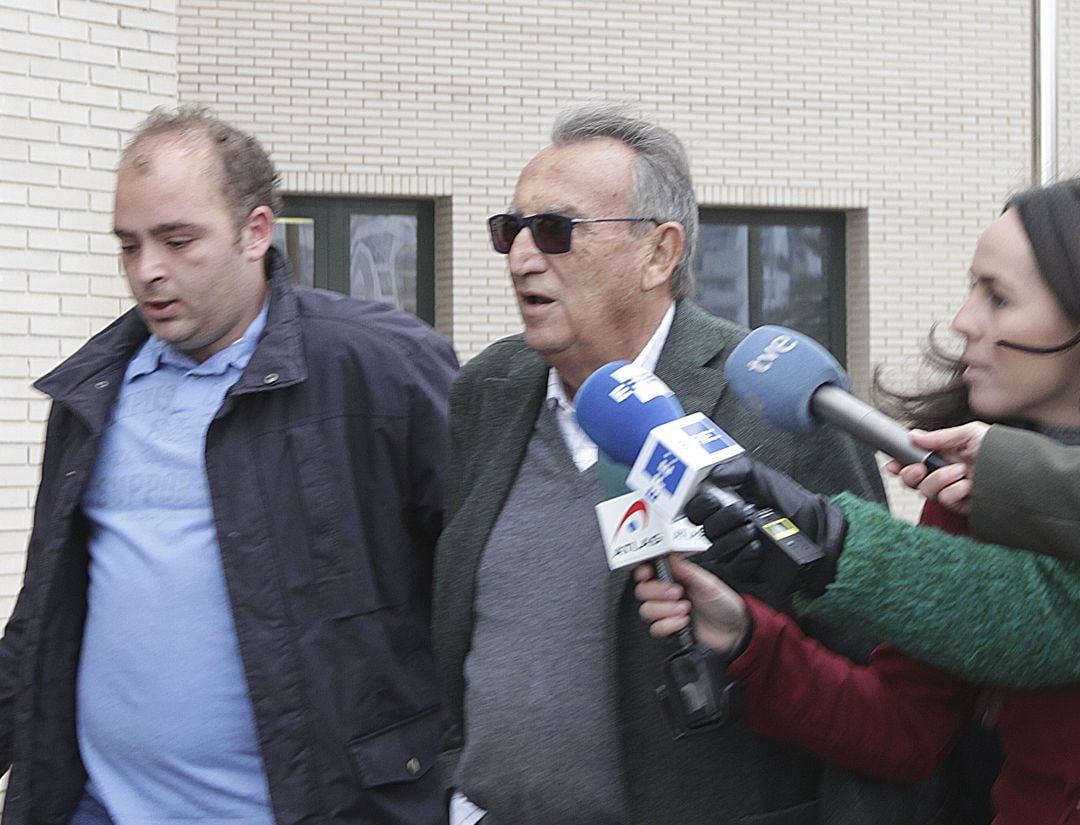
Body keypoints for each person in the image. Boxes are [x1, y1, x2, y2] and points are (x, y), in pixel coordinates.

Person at [431, 102, 953, 825]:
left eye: (554, 229)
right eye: (509, 230)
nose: (522, 256)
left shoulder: (771, 403)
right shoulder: (487, 390)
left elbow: (878, 678)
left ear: (659, 252)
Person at [0, 106, 458, 825]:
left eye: (178, 240)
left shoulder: (381, 367)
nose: (147, 270)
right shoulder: (90, 393)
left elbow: (475, 592)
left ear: (256, 232)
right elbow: (45, 612)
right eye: (129, 245)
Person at [635, 177, 1080, 824]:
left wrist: (830, 544)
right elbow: (904, 730)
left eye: (999, 298)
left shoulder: (988, 479)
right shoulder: (962, 493)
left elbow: (1044, 615)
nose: (963, 320)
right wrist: (750, 637)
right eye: (972, 288)